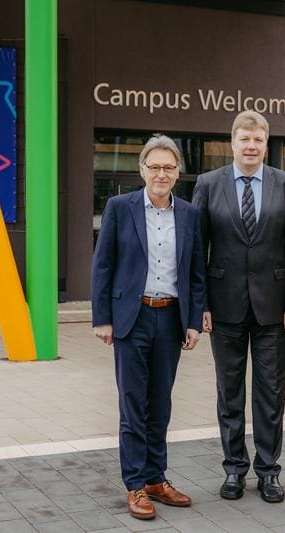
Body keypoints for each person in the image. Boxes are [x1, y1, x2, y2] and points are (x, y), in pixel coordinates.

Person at [192, 111, 285, 503]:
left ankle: (269, 471)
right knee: (229, 393)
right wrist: (200, 303)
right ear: (233, 142)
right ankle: (234, 469)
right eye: (245, 139)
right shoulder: (209, 184)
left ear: (266, 143)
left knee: (270, 393)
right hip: (223, 307)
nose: (251, 146)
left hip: (274, 310)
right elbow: (196, 250)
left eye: (258, 139)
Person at [91, 134, 206, 520]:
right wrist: (102, 318)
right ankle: (136, 484)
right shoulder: (119, 207)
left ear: (178, 172)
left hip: (171, 319)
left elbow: (195, 272)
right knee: (133, 404)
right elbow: (102, 265)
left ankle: (157, 478)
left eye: (168, 167)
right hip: (132, 318)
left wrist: (194, 321)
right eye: (154, 166)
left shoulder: (189, 214)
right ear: (142, 170)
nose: (161, 173)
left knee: (160, 404)